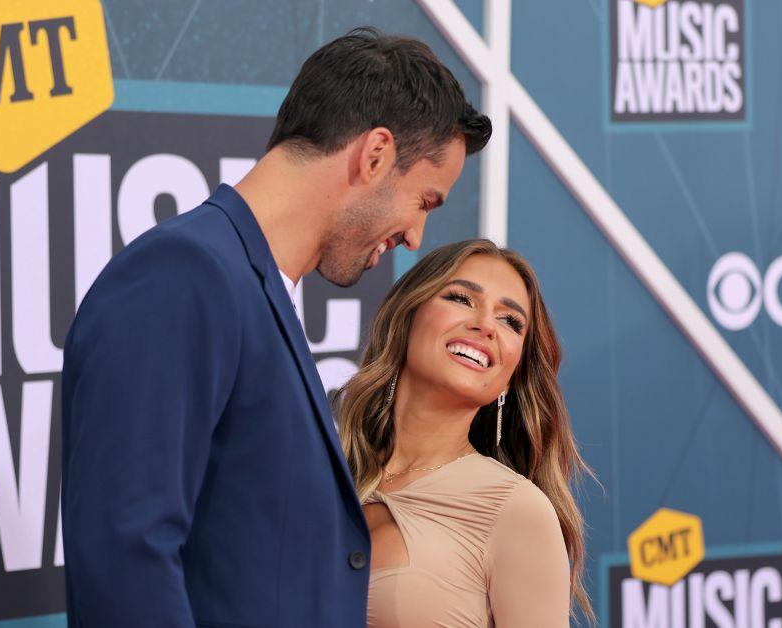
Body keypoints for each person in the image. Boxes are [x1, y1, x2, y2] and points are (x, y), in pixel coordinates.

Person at [60, 28, 491, 627]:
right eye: (425, 201)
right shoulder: (182, 275)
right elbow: (126, 553)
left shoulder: (255, 287)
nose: (416, 238)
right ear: (374, 155)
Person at [337, 239, 593, 627]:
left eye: (511, 322)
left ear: (511, 374)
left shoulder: (516, 509)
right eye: (461, 299)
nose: (486, 325)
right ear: (407, 318)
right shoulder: (326, 477)